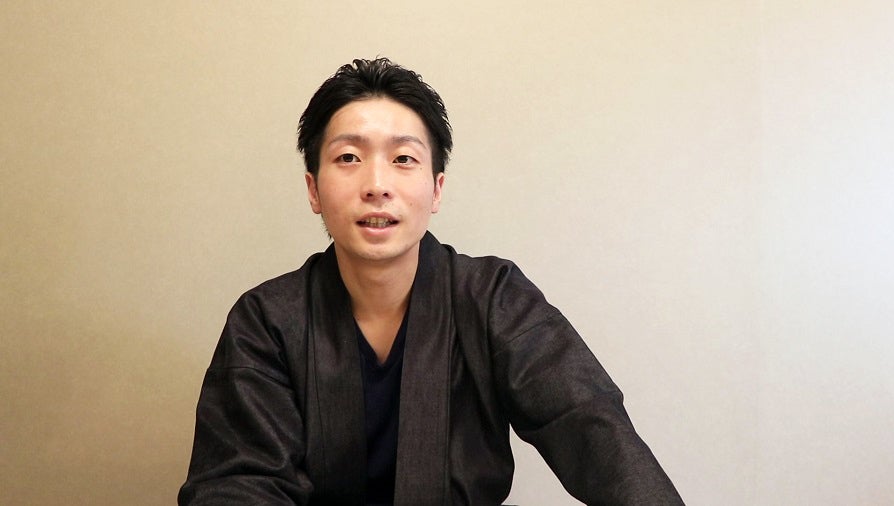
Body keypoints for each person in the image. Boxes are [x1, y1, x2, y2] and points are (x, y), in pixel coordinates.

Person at [178, 58, 683, 506]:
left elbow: (591, 426)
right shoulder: (266, 320)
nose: (377, 185)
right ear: (313, 188)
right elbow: (238, 483)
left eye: (403, 159)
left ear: (436, 188)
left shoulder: (493, 298)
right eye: (349, 157)